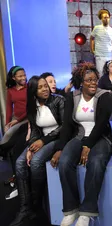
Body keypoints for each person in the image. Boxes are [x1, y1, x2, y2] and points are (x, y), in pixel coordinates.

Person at [56, 62, 112, 226]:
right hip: (79, 136)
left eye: (95, 79)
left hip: (101, 137)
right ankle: (71, 209)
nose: (93, 83)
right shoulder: (72, 97)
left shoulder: (105, 96)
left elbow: (102, 124)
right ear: (81, 82)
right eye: (88, 80)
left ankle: (87, 212)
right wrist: (61, 148)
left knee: (96, 163)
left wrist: (88, 145)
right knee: (65, 162)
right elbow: (67, 126)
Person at [10, 76, 65, 226]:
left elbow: (65, 126)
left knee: (36, 162)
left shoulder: (58, 100)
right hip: (41, 139)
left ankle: (36, 205)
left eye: (45, 86)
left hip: (57, 138)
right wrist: (31, 147)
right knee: (20, 162)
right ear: (34, 91)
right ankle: (25, 208)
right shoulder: (32, 105)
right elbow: (34, 129)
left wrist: (43, 141)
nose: (45, 89)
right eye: (40, 87)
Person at [0, 66, 28, 200]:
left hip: (26, 119)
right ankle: (15, 175)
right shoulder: (10, 91)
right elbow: (9, 110)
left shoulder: (29, 88)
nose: (23, 78)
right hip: (16, 120)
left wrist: (17, 121)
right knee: (6, 138)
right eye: (20, 76)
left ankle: (18, 178)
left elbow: (31, 108)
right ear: (13, 78)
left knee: (10, 143)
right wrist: (7, 124)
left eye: (24, 75)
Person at [90, 9, 112, 77]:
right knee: (101, 73)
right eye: (104, 17)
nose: (106, 19)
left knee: (110, 73)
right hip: (99, 55)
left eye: (107, 17)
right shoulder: (97, 28)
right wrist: (92, 49)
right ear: (101, 19)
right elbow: (91, 38)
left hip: (109, 55)